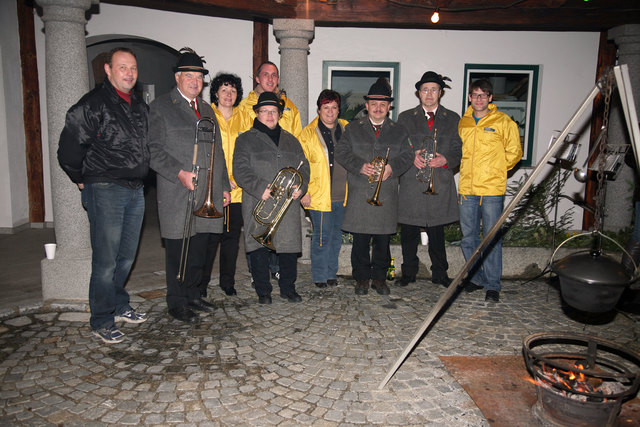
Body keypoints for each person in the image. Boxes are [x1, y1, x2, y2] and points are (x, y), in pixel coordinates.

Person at [58, 47, 149, 344]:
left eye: (133, 68)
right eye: (122, 67)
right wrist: (81, 178)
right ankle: (101, 319)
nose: (129, 73)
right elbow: (70, 146)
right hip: (106, 188)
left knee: (125, 257)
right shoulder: (94, 103)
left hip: (135, 190)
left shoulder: (138, 105)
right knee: (106, 260)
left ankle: (119, 303)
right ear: (108, 70)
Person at [149, 48, 231, 323]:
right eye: (189, 76)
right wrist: (179, 173)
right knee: (179, 250)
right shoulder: (161, 107)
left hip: (207, 193)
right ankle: (177, 301)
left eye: (199, 76)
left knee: (202, 248)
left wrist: (223, 185)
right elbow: (152, 150)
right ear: (177, 77)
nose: (195, 81)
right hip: (178, 192)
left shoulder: (207, 109)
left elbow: (217, 151)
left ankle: (195, 295)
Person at [335, 78, 413, 296]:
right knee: (359, 241)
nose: (378, 107)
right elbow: (341, 153)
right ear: (367, 105)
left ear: (389, 107)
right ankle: (361, 279)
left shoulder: (399, 130)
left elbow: (407, 157)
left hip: (385, 195)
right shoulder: (352, 128)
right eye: (374, 103)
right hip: (360, 193)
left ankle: (379, 278)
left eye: (383, 104)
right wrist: (359, 166)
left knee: (382, 241)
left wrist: (392, 168)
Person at [233, 92, 310, 304]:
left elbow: (305, 167)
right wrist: (260, 188)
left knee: (287, 247)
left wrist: (301, 186)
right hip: (260, 200)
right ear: (257, 113)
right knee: (258, 247)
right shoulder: (245, 139)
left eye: (274, 111)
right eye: (265, 111)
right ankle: (263, 291)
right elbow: (240, 170)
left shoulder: (292, 140)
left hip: (287, 204)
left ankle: (288, 288)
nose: (269, 115)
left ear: (279, 114)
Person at [458, 78, 522, 303]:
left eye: (483, 95)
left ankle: (493, 285)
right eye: (475, 95)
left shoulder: (503, 121)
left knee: (492, 237)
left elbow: (515, 152)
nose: (479, 99)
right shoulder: (463, 122)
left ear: (490, 98)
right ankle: (476, 278)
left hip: (492, 189)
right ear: (469, 97)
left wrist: (496, 168)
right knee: (468, 238)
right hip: (467, 188)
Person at [397, 71, 462, 287]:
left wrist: (445, 159)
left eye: (434, 89)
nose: (429, 94)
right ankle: (408, 272)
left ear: (440, 93)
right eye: (425, 89)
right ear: (418, 93)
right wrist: (410, 158)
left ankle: (440, 274)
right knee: (408, 233)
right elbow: (399, 147)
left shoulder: (453, 119)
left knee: (437, 233)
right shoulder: (405, 118)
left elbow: (458, 150)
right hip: (412, 183)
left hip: (439, 182)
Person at [206, 73, 251, 297]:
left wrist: (240, 178)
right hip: (213, 189)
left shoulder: (245, 118)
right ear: (216, 92)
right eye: (224, 90)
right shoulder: (206, 115)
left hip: (238, 192)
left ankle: (227, 281)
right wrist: (221, 180)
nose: (228, 94)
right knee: (209, 238)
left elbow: (250, 152)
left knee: (231, 239)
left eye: (232, 91)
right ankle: (201, 283)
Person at [299, 90, 349, 288]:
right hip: (319, 195)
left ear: (339, 110)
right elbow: (300, 165)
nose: (330, 112)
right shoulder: (307, 134)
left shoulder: (347, 129)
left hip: (342, 195)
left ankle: (331, 273)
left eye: (334, 107)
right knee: (322, 237)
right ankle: (319, 276)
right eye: (326, 107)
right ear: (319, 110)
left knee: (336, 237)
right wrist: (304, 191)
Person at [238, 61, 302, 138]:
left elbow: (298, 138)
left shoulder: (289, 106)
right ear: (257, 79)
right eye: (266, 74)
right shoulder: (243, 106)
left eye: (274, 75)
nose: (270, 79)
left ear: (277, 79)